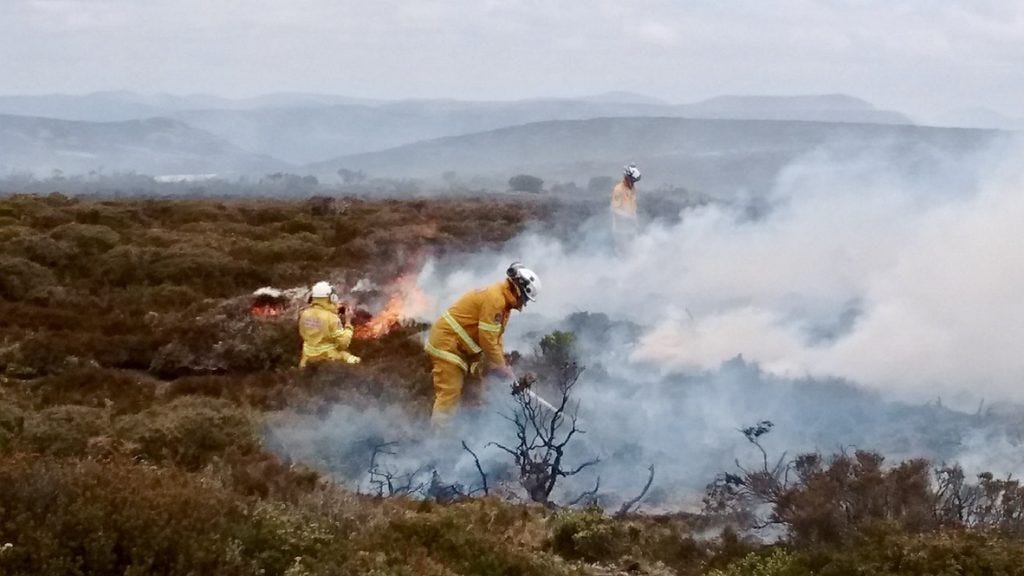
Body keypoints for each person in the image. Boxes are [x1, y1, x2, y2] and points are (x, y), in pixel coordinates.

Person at [424, 262, 541, 425]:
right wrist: (500, 365)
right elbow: (487, 340)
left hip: (463, 349)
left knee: (475, 390)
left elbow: (496, 338)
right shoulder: (496, 300)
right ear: (520, 290)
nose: (524, 304)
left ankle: (470, 430)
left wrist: (503, 365)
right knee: (450, 392)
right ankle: (438, 437)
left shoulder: (503, 302)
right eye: (525, 299)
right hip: (447, 344)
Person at [298, 281, 361, 367]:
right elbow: (343, 344)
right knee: (351, 358)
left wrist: (335, 309)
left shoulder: (304, 313)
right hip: (326, 357)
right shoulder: (332, 318)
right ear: (331, 298)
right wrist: (348, 322)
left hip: (307, 357)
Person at [610, 163, 642, 252]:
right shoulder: (618, 189)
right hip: (621, 229)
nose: (633, 183)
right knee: (624, 252)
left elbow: (632, 204)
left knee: (633, 250)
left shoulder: (632, 188)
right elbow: (614, 209)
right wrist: (627, 216)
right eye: (632, 180)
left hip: (631, 227)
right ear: (627, 178)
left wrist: (634, 218)